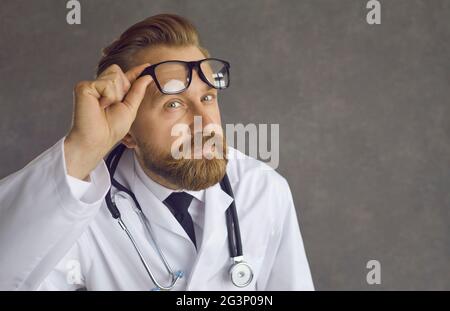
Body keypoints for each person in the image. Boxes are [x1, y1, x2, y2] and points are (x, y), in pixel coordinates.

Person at [0, 13, 314, 291]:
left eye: (207, 98)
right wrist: (82, 149)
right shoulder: (76, 211)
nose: (205, 123)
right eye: (173, 104)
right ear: (128, 133)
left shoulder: (263, 190)